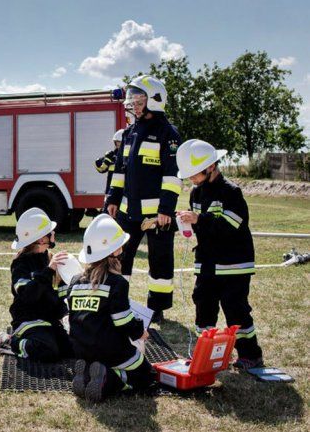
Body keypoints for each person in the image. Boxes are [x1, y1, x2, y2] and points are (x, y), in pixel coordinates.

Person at [175, 139, 264, 369]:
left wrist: (199, 219)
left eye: (195, 173)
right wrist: (186, 222)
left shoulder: (231, 192)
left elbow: (230, 227)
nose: (192, 179)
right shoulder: (196, 194)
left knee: (236, 308)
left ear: (211, 166)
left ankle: (250, 355)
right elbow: (201, 227)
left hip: (234, 263)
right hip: (207, 263)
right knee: (203, 306)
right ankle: (205, 355)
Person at [106, 76, 182, 323]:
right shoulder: (129, 132)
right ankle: (119, 301)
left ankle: (157, 309)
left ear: (155, 101)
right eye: (132, 101)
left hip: (157, 216)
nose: (134, 106)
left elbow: (172, 176)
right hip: (128, 212)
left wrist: (166, 210)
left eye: (138, 101)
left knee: (159, 261)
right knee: (120, 258)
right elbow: (119, 170)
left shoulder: (168, 134)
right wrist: (112, 199)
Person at [68, 214, 153, 402]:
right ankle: (109, 378)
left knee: (101, 360)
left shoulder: (75, 282)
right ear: (114, 251)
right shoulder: (117, 283)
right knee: (146, 376)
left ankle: (89, 373)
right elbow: (123, 322)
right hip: (111, 351)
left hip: (81, 349)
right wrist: (140, 332)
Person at [0, 208, 72, 361]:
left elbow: (61, 294)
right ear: (40, 239)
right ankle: (9, 342)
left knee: (71, 348)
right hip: (29, 320)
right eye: (50, 232)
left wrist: (66, 316)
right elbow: (28, 295)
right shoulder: (21, 264)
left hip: (50, 321)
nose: (53, 234)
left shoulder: (50, 259)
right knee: (47, 350)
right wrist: (48, 271)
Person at [95, 129, 124, 199]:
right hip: (110, 192)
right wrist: (106, 160)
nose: (117, 144)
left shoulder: (130, 157)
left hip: (124, 193)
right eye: (116, 142)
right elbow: (100, 169)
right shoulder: (112, 155)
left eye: (119, 142)